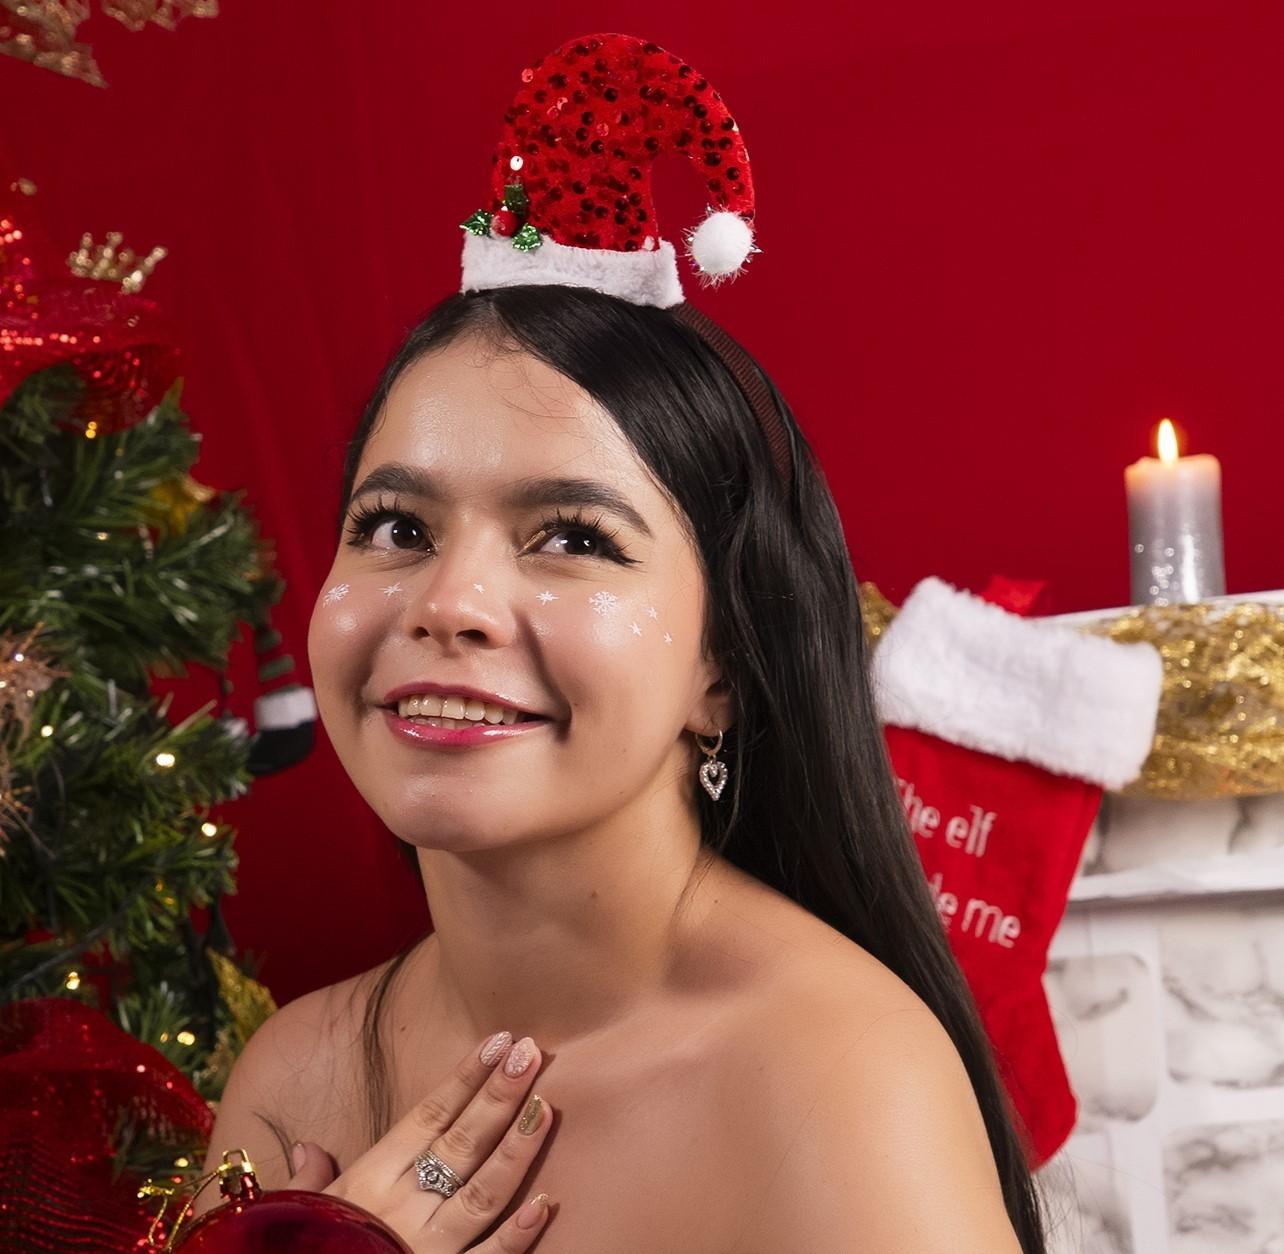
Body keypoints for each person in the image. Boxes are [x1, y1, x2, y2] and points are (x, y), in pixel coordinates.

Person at [194, 33, 1050, 1254]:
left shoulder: (837, 1079)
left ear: (723, 670)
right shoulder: (295, 1079)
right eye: (395, 526)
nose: (448, 601)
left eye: (572, 538)